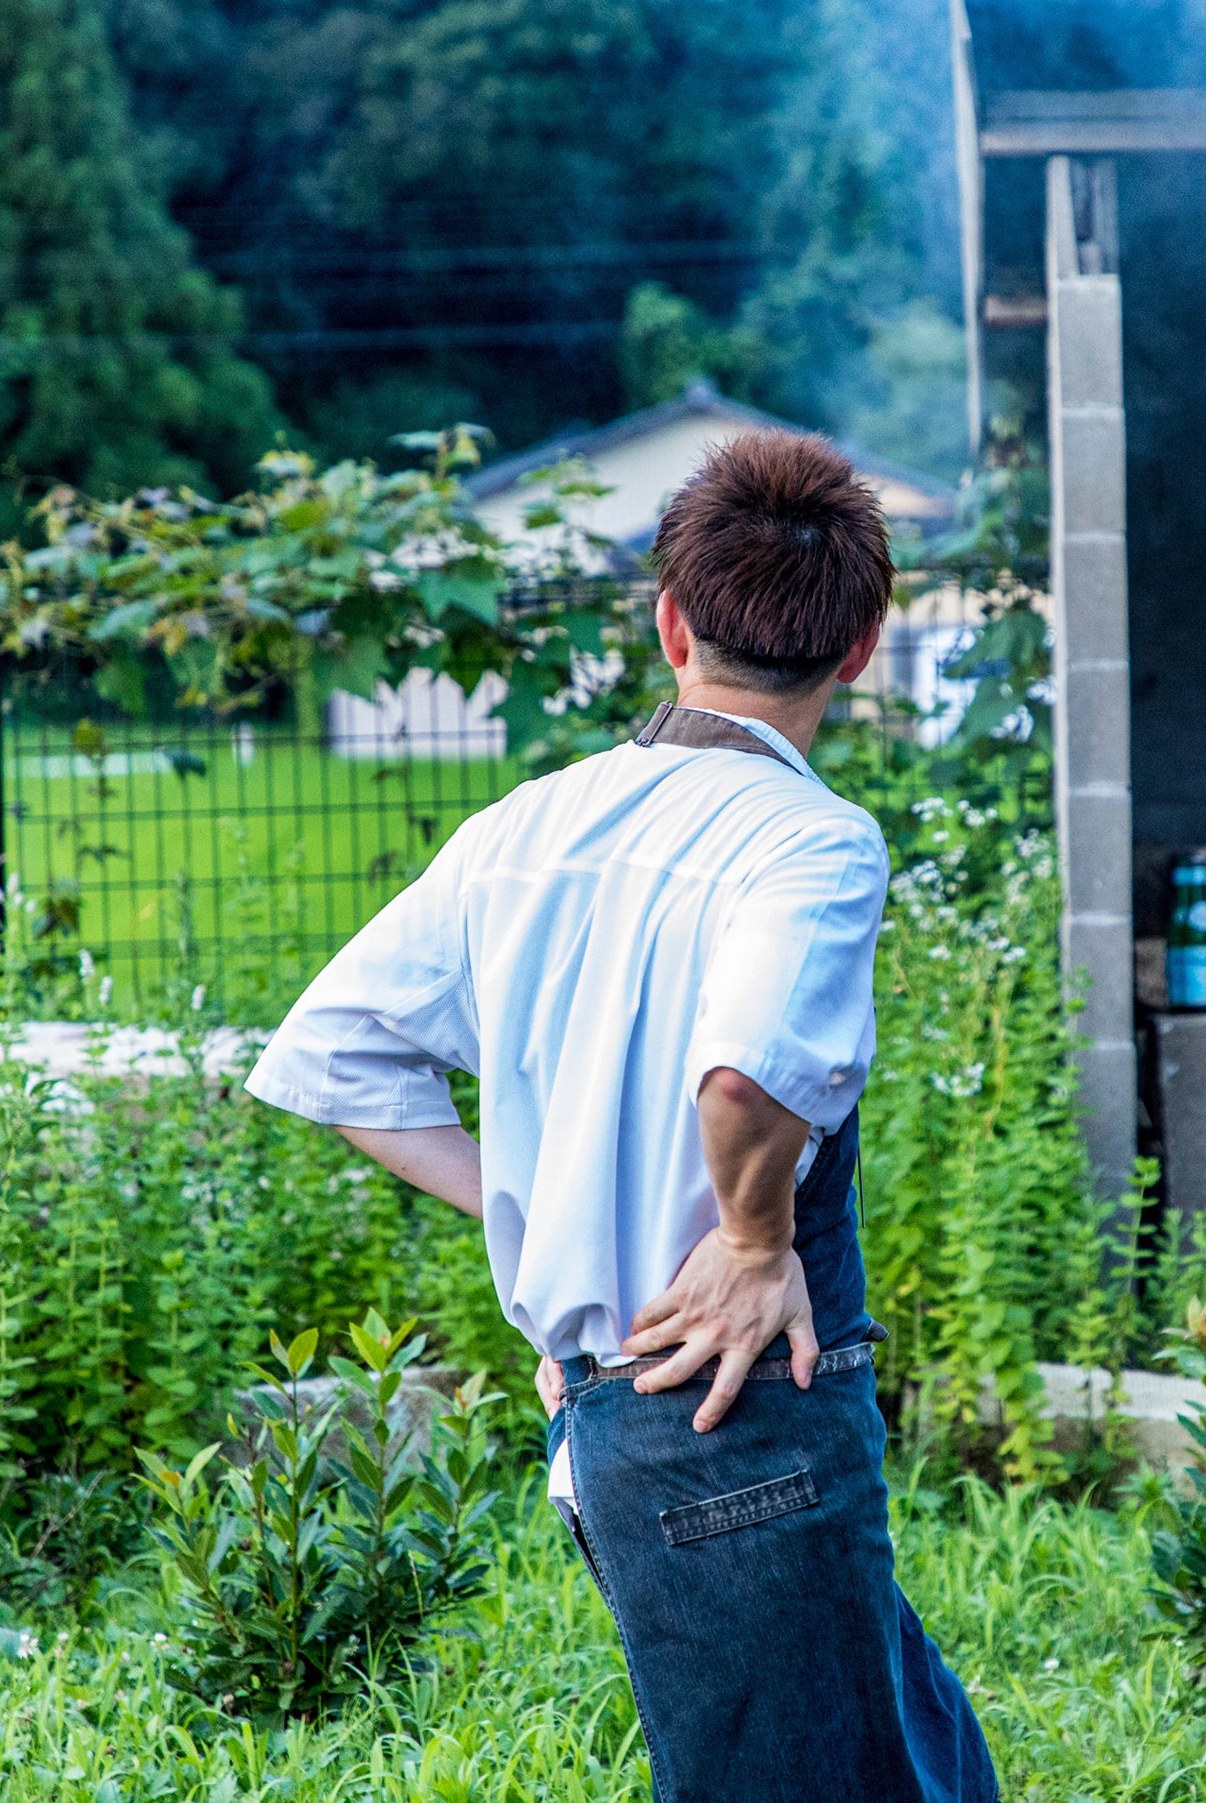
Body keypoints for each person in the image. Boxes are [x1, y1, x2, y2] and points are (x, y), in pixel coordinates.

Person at [245, 429, 999, 1803]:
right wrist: (758, 1239)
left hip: (614, 1422)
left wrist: (547, 1212)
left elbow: (336, 1052)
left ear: (670, 622)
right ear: (863, 647)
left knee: (924, 1748)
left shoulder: (523, 829)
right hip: (735, 1430)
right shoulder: (809, 839)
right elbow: (744, 1073)